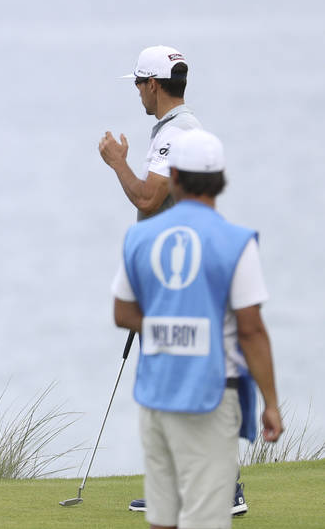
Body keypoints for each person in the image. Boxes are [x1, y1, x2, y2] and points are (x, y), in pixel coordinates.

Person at [112, 129, 282, 529]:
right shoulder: (236, 241)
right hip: (211, 396)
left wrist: (164, 323)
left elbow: (122, 312)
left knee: (163, 519)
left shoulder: (140, 236)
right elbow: (252, 331)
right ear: (220, 178)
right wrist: (271, 403)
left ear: (173, 175)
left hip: (155, 395)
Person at [99, 45, 201, 221]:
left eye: (138, 82)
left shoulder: (178, 130)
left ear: (152, 84)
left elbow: (148, 201)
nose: (138, 91)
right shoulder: (179, 126)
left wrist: (118, 162)